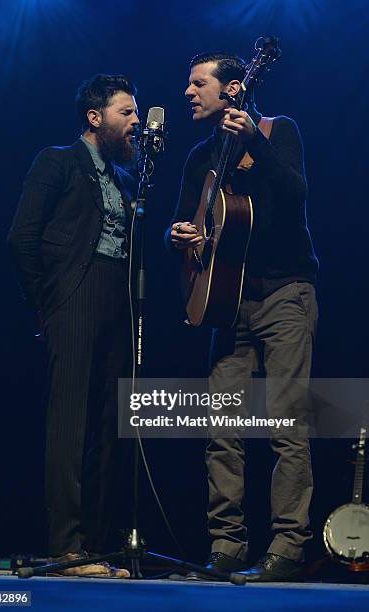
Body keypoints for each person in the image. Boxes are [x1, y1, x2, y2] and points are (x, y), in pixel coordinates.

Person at [166, 52, 318, 582]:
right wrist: (179, 235)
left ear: (232, 89)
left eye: (197, 83)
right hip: (227, 306)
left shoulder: (278, 132)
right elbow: (185, 220)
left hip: (283, 295)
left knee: (284, 426)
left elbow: (296, 195)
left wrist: (255, 140)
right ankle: (227, 546)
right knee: (221, 427)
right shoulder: (199, 158)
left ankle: (287, 547)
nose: (188, 92)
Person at [8, 74, 140, 577]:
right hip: (73, 298)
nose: (134, 121)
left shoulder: (126, 181)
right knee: (71, 423)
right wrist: (49, 302)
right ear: (95, 117)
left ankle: (100, 546)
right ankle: (68, 546)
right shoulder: (57, 162)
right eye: (126, 113)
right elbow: (22, 238)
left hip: (117, 304)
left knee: (111, 424)